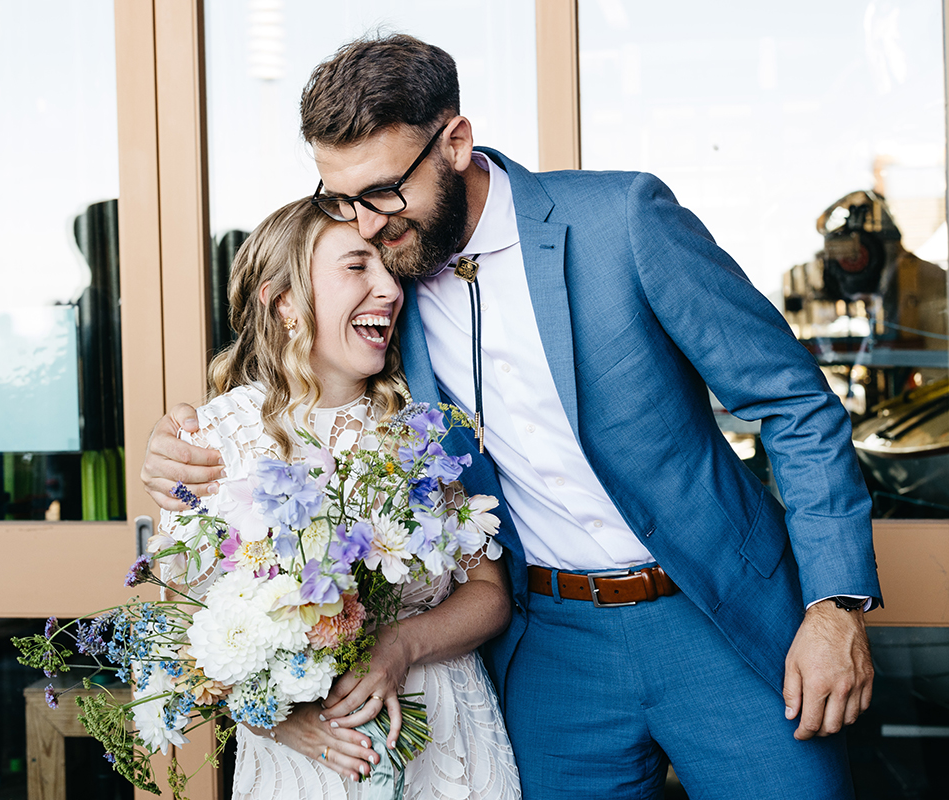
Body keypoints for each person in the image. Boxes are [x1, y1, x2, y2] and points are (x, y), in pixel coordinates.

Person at [144, 35, 882, 799]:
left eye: (383, 191)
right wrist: (182, 445)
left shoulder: (622, 220)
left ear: (455, 143)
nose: (363, 224)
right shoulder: (390, 286)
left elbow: (793, 401)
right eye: (341, 199)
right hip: (552, 652)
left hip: (715, 616)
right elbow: (303, 394)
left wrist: (834, 604)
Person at [150, 197, 522, 799]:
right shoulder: (214, 439)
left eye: (390, 270)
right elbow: (190, 637)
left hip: (445, 741)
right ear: (284, 302)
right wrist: (278, 718)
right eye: (356, 267)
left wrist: (402, 645)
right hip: (303, 764)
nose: (390, 290)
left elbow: (490, 596)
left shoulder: (419, 427)